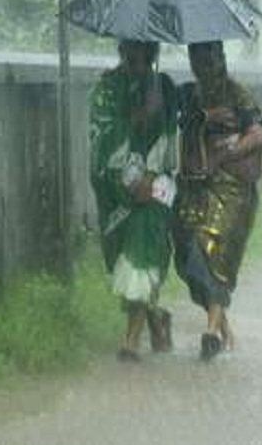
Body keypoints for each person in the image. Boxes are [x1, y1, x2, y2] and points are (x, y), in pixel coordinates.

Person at [174, 40, 262, 361]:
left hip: (231, 189)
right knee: (190, 259)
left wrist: (229, 151)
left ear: (222, 57)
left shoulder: (237, 93)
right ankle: (224, 331)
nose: (206, 65)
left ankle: (211, 332)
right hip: (194, 187)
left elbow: (257, 134)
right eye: (198, 58)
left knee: (215, 253)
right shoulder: (188, 95)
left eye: (211, 57)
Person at [89, 39, 178, 362]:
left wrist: (151, 176)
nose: (134, 56)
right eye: (129, 50)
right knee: (120, 262)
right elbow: (99, 135)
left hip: (155, 186)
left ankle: (131, 341)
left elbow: (170, 137)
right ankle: (157, 316)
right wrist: (136, 118)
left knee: (141, 255)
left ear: (151, 51)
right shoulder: (106, 88)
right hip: (115, 191)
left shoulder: (164, 86)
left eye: (141, 50)